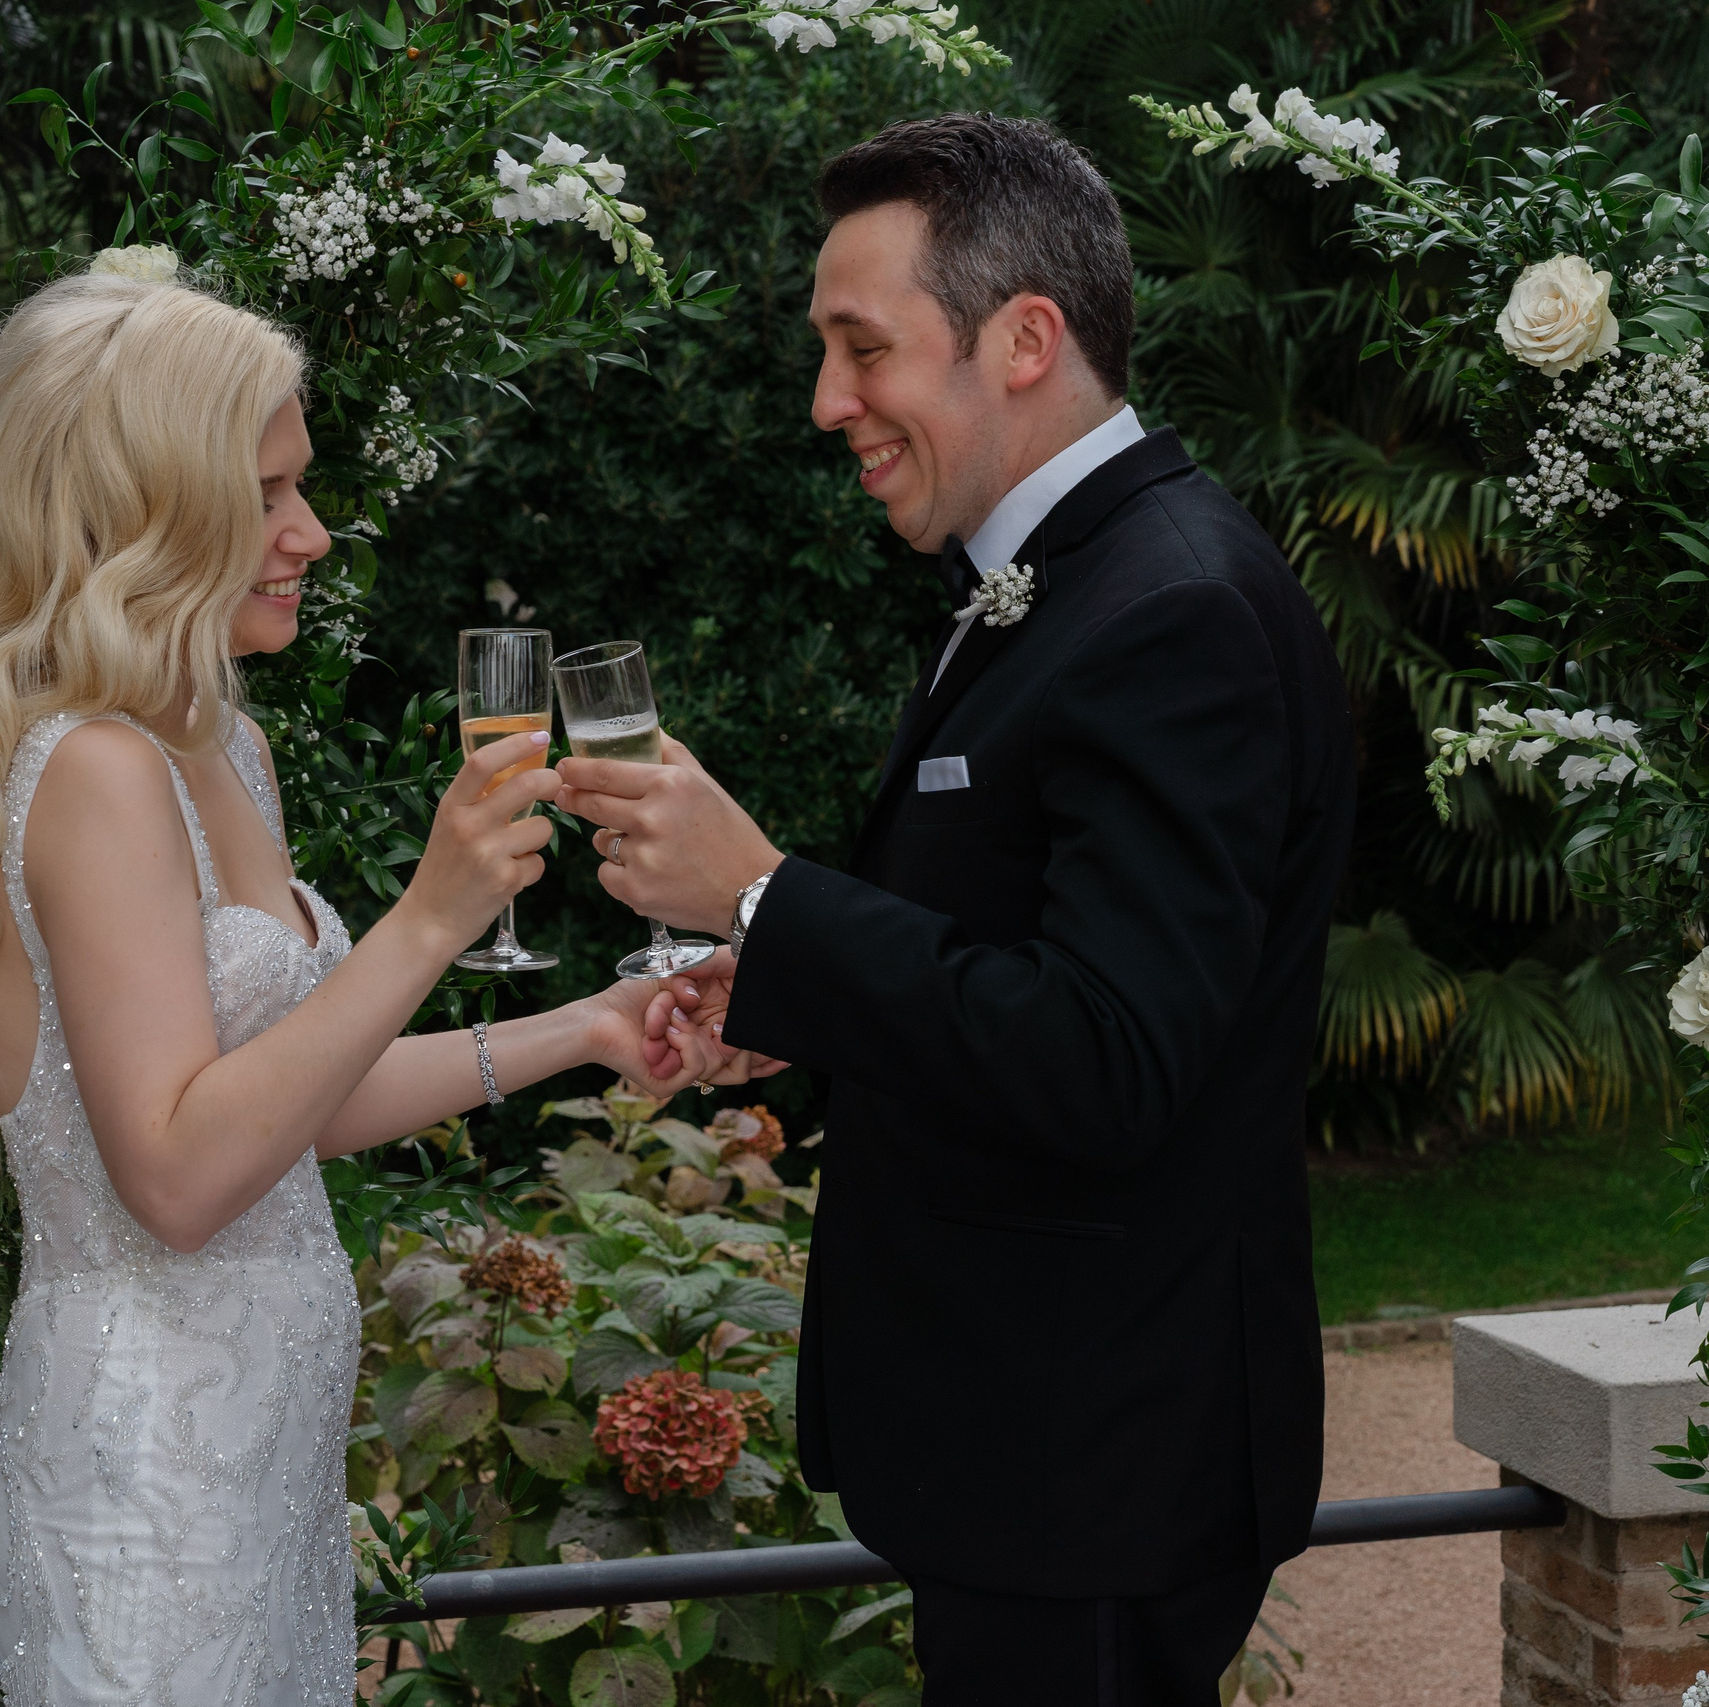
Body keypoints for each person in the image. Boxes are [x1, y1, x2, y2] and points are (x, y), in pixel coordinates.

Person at [0, 267, 756, 1706]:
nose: (308, 534)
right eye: (266, 496)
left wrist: (588, 1030)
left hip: (252, 1486)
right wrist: (432, 917)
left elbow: (292, 1107)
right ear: (144, 511)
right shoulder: (95, 772)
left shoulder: (209, 745)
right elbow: (181, 1179)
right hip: (147, 1492)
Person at [567, 115, 1356, 1703]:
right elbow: (1020, 957)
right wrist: (782, 986)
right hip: (1046, 1450)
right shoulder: (1073, 578)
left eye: (864, 350)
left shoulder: (1171, 609)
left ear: (1025, 339)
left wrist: (770, 891)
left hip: (1100, 1463)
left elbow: (1107, 1057)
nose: (827, 403)